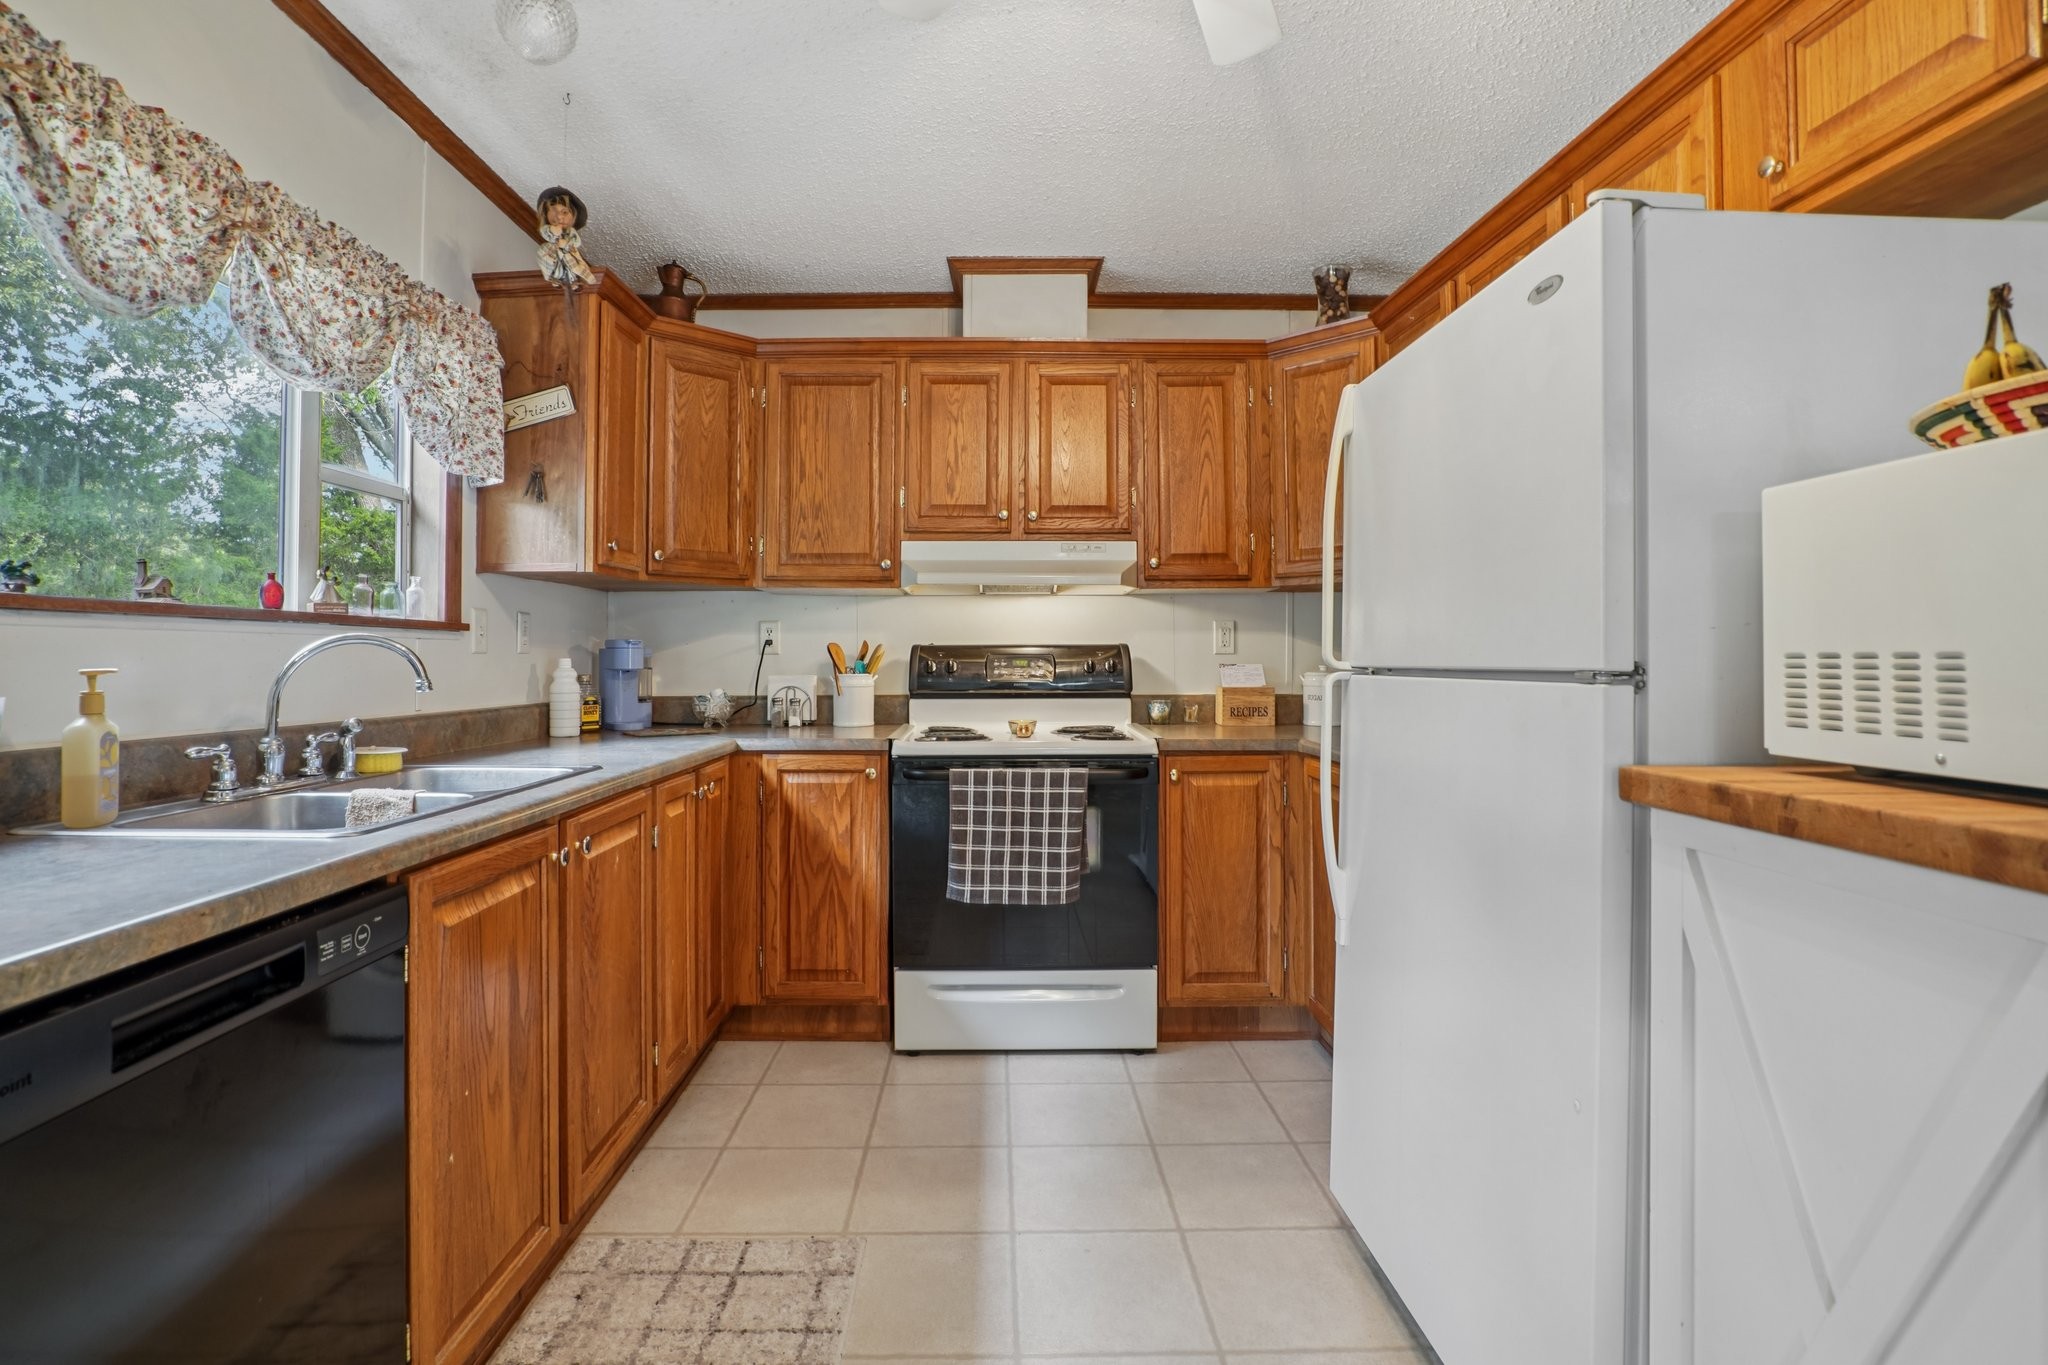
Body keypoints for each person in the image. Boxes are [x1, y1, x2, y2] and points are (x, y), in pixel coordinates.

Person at [535, 186, 596, 289]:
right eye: (554, 211)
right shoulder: (548, 230)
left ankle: (572, 282)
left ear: (573, 216)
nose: (559, 217)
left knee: (573, 264)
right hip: (554, 252)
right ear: (546, 215)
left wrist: (566, 245)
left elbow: (576, 242)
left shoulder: (571, 234)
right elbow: (545, 232)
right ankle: (556, 279)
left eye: (565, 212)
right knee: (545, 255)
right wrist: (553, 232)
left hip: (567, 251)